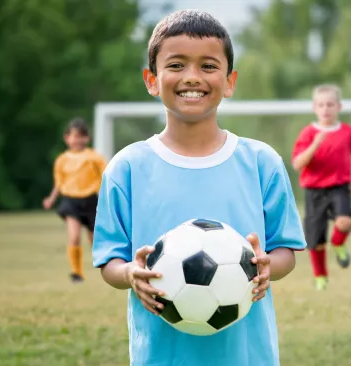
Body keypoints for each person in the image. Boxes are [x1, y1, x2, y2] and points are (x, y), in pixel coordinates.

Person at [91, 9, 306, 366]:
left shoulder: (260, 162)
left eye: (208, 66)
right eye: (176, 65)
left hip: (247, 355)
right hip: (162, 356)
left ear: (230, 80)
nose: (192, 77)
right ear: (151, 79)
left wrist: (269, 267)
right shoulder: (126, 168)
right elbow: (109, 262)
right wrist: (130, 273)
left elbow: (285, 251)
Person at [291, 84, 351, 291]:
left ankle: (339, 243)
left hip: (339, 187)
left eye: (330, 104)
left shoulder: (349, 133)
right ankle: (321, 277)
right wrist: (315, 144)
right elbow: (297, 164)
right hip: (314, 191)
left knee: (345, 222)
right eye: (321, 105)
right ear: (315, 108)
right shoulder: (308, 133)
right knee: (316, 241)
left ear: (339, 106)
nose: (326, 109)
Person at [43, 117, 106, 282]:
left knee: (95, 239)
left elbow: (105, 178)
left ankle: (105, 268)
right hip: (71, 202)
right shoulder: (61, 160)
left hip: (92, 201)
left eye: (81, 136)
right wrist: (51, 198)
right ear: (67, 138)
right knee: (74, 237)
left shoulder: (95, 157)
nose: (77, 140)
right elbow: (59, 183)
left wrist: (106, 197)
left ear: (87, 138)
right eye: (74, 136)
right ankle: (76, 272)